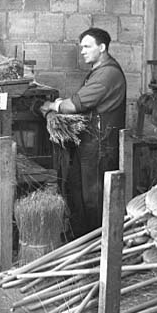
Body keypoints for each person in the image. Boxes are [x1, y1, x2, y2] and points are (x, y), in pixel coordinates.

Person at [40, 27, 126, 239]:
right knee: (77, 189)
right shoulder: (98, 71)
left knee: (93, 197)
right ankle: (82, 240)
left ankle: (98, 244)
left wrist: (52, 105)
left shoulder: (108, 73)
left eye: (87, 46)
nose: (82, 52)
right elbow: (80, 99)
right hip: (89, 141)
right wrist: (61, 103)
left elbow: (76, 105)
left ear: (102, 47)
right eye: (81, 47)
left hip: (100, 144)